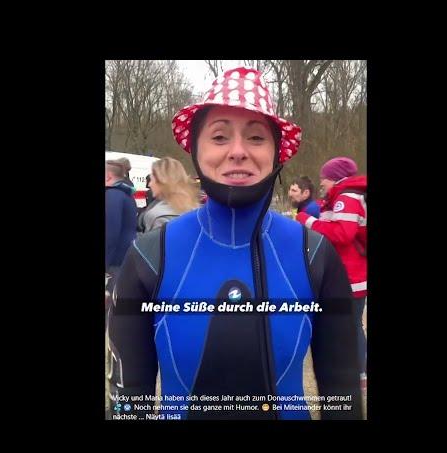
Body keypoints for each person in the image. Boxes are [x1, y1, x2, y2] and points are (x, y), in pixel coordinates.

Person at [107, 66, 362, 420]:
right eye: (220, 136)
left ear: (277, 153)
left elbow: (343, 391)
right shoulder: (149, 256)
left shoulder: (315, 254)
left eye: (256, 138)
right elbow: (129, 402)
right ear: (195, 150)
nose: (238, 151)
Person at [295, 156, 367, 374]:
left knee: (351, 326)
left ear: (335, 178)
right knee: (348, 325)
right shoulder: (338, 197)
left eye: (324, 178)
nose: (322, 183)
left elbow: (343, 234)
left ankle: (359, 371)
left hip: (351, 276)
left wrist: (307, 221)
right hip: (347, 273)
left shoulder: (347, 197)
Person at [139, 157, 198, 233]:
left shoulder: (157, 216)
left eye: (152, 180)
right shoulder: (195, 208)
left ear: (162, 181)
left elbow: (154, 244)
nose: (149, 184)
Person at [105, 159, 138, 292]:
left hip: (113, 262)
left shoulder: (112, 195)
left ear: (108, 176)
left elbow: (110, 233)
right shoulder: (126, 194)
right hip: (124, 257)